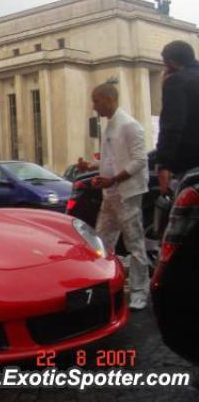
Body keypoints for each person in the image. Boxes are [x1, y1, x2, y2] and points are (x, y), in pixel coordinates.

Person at [76, 81, 150, 310]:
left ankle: (139, 292)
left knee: (134, 244)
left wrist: (114, 179)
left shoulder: (129, 125)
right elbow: (110, 160)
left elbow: (140, 160)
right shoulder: (110, 126)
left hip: (127, 194)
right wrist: (91, 165)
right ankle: (104, 285)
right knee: (101, 241)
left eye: (96, 101)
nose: (94, 106)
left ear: (108, 99)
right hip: (111, 194)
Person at [156, 40, 199, 194]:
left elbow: (172, 125)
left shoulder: (177, 81)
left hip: (189, 164)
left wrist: (163, 164)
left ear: (171, 63)